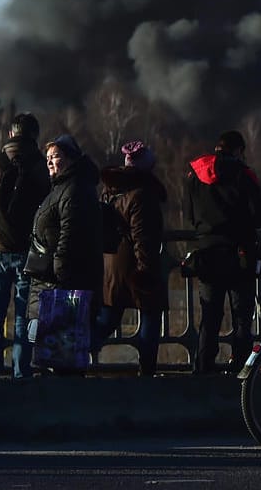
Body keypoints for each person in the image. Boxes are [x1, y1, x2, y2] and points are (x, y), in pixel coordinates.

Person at [0, 112, 49, 379]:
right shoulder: (40, 165)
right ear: (35, 136)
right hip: (29, 251)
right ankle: (20, 372)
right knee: (23, 316)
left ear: (10, 134)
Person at [186, 129, 261, 375]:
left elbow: (190, 214)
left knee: (210, 316)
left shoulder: (195, 174)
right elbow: (259, 216)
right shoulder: (244, 175)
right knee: (242, 317)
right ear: (239, 150)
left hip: (207, 253)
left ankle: (203, 369)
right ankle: (242, 370)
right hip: (239, 254)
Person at [26, 134, 104, 367]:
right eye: (48, 157)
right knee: (54, 355)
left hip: (60, 286)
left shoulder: (73, 190)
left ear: (71, 159)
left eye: (56, 157)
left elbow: (70, 235)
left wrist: (59, 271)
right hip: (51, 283)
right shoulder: (62, 187)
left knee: (60, 358)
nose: (49, 162)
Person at [98, 140, 168, 376]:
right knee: (149, 314)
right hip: (135, 264)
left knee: (108, 317)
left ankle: (75, 357)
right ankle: (147, 371)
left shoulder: (111, 190)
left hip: (111, 263)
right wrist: (146, 271)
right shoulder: (142, 195)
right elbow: (143, 237)